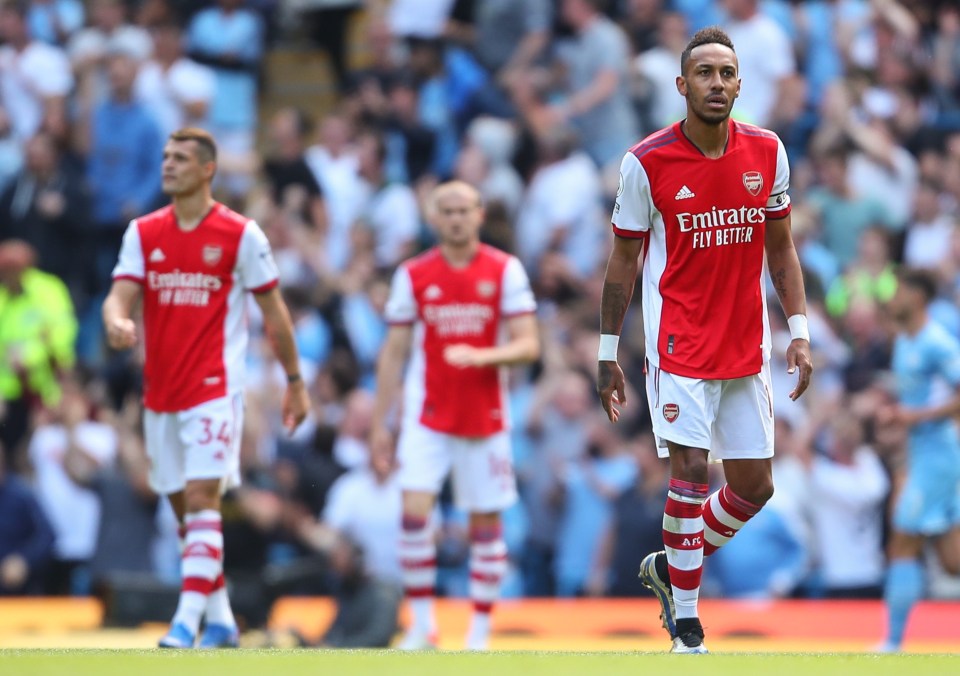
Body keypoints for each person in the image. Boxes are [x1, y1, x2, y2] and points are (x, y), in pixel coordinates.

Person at [596, 27, 812, 654]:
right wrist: (607, 352)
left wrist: (798, 333)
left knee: (754, 488)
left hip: (746, 345)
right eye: (706, 73)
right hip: (679, 344)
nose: (717, 84)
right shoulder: (647, 161)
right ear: (682, 85)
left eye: (727, 73)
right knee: (690, 470)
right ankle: (686, 628)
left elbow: (782, 249)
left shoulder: (768, 152)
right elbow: (621, 264)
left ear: (741, 84)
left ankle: (669, 565)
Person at [102, 127, 310, 649]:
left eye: (180, 158)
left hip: (215, 389)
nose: (167, 165)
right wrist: (116, 321)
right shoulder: (143, 232)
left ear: (207, 169)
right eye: (165, 156)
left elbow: (275, 313)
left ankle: (182, 624)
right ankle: (221, 622)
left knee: (201, 499)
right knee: (185, 514)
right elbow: (118, 296)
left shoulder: (242, 235)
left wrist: (295, 380)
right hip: (160, 394)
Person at [371, 180, 539, 650]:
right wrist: (381, 424)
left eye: (464, 209)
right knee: (413, 514)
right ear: (433, 219)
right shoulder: (414, 275)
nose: (456, 218)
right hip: (427, 414)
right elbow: (394, 352)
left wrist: (483, 357)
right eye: (447, 211)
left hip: (485, 416)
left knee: (485, 524)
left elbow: (529, 346)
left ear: (480, 214)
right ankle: (423, 626)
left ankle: (479, 632)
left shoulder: (505, 270)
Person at [876, 269, 960, 652]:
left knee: (903, 540)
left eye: (899, 291)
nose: (892, 298)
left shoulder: (937, 343)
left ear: (918, 297)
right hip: (921, 456)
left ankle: (893, 644)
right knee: (951, 561)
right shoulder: (904, 341)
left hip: (939, 457)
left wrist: (912, 418)